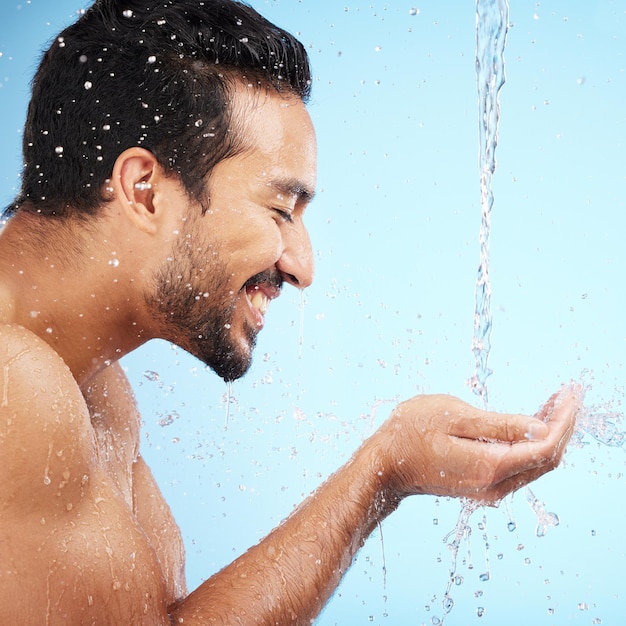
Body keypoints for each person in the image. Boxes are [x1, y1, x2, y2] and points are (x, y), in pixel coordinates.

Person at [0, 1, 580, 623]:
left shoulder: (98, 392)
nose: (303, 267)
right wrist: (379, 475)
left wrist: (387, 468)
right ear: (144, 189)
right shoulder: (16, 386)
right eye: (280, 209)